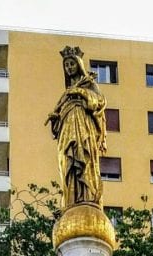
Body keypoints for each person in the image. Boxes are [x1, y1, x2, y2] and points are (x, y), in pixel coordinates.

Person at [46, 46, 107, 208]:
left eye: (72, 64)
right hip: (66, 130)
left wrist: (80, 92)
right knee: (68, 163)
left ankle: (87, 195)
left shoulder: (88, 84)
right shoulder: (65, 94)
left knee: (83, 158)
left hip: (83, 127)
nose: (69, 67)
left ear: (78, 64)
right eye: (66, 65)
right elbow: (57, 128)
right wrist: (54, 120)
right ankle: (72, 199)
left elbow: (99, 102)